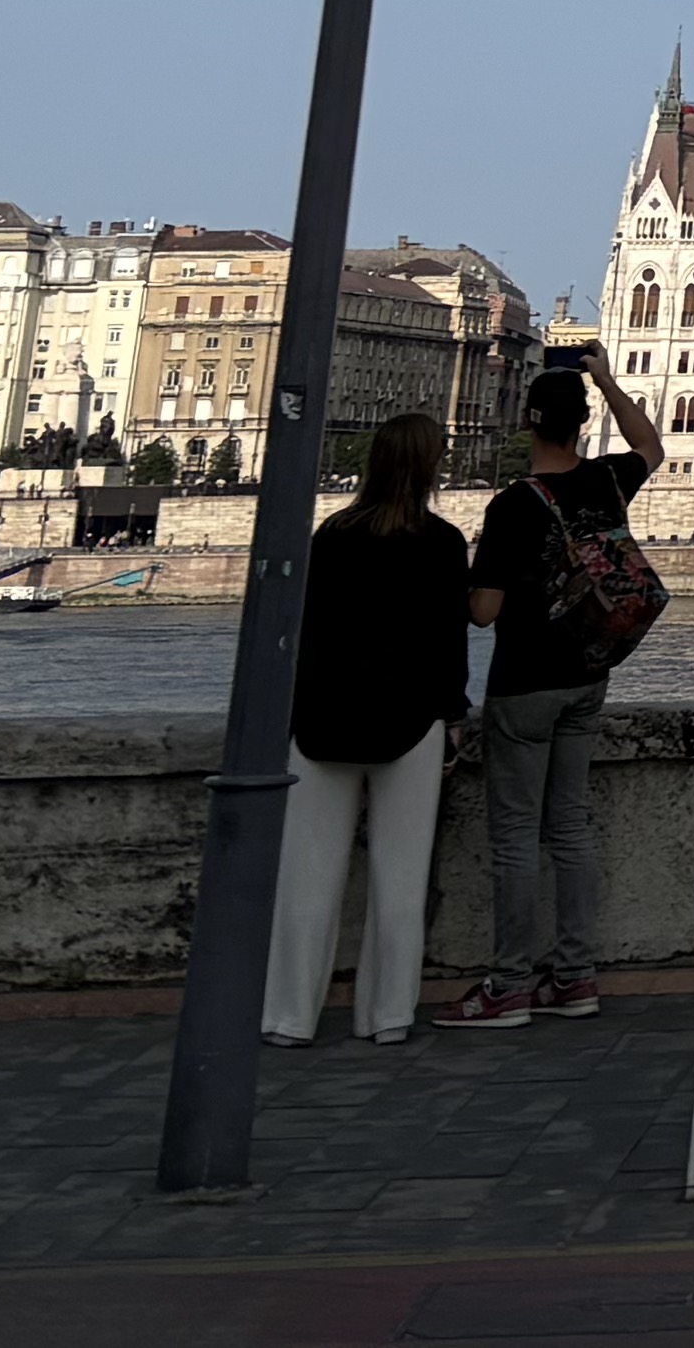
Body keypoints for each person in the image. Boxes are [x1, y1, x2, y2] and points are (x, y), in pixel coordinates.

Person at [441, 338, 662, 1031]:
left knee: (514, 836)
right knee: (570, 828)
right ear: (581, 422)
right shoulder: (605, 482)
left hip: (527, 682)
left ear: (531, 420)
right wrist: (609, 381)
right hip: (588, 675)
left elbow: (485, 612)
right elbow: (651, 447)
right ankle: (574, 977)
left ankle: (508, 985)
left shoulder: (512, 505)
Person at [265, 412, 470, 1048]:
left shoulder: (333, 534)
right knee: (400, 881)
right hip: (408, 720)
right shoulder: (441, 541)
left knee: (306, 876)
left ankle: (290, 1016)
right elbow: (447, 641)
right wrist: (454, 716)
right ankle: (386, 1015)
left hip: (324, 718)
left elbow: (306, 630)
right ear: (431, 466)